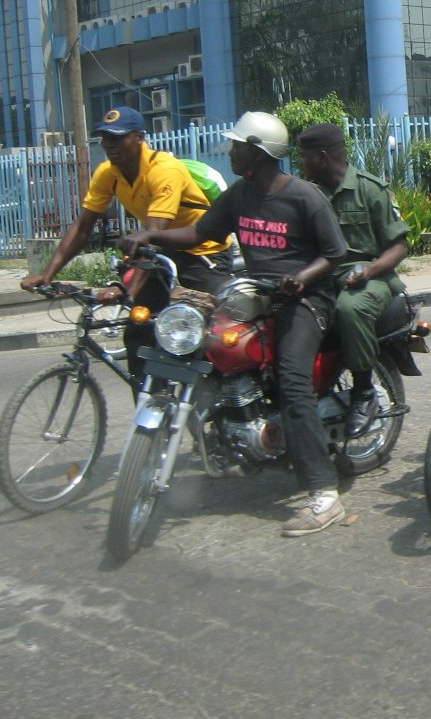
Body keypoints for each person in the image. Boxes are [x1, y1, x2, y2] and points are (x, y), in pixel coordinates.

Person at [118, 111, 353, 537]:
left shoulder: (304, 197)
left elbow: (335, 254)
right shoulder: (240, 194)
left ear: (257, 152)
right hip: (256, 293)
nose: (229, 149)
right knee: (207, 348)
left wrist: (299, 278)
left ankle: (324, 496)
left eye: (236, 144)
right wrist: (149, 237)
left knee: (293, 380)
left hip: (306, 299)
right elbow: (198, 234)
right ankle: (227, 436)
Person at [21, 106, 234, 387]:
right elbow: (83, 227)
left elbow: (153, 238)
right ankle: (150, 416)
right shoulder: (107, 173)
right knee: (138, 329)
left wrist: (126, 289)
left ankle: (223, 400)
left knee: (202, 332)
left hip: (202, 251)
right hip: (159, 251)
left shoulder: (164, 171)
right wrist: (47, 274)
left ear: (140, 137)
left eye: (118, 138)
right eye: (105, 138)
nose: (110, 145)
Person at [295, 122, 411, 439]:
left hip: (372, 276)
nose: (300, 163)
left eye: (304, 157)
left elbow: (399, 245)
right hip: (323, 275)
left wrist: (369, 271)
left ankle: (363, 392)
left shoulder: (369, 189)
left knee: (349, 309)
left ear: (321, 157)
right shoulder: (307, 193)